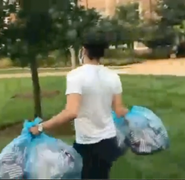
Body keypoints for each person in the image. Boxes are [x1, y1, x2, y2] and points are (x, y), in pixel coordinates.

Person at [29, 30, 129, 179]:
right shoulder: (113, 76)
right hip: (109, 141)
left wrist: (41, 127)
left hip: (88, 145)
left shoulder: (76, 76)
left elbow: (71, 112)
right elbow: (120, 110)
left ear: (84, 50)